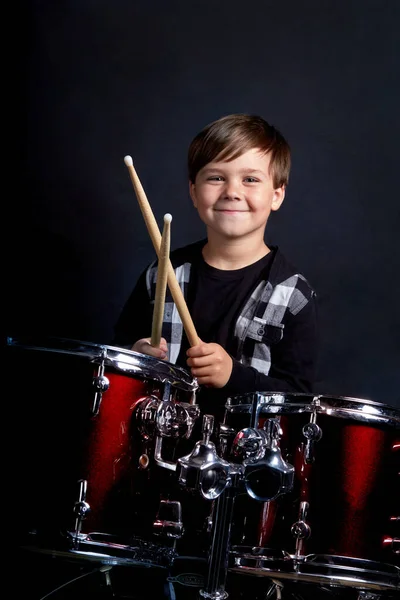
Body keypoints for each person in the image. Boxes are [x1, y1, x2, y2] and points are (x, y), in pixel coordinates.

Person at [112, 113, 319, 417]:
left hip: (245, 459)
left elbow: (300, 402)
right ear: (194, 192)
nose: (232, 191)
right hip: (160, 449)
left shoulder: (293, 295)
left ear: (276, 195)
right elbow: (115, 356)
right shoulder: (162, 273)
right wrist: (137, 357)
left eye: (250, 179)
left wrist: (233, 376)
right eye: (216, 177)